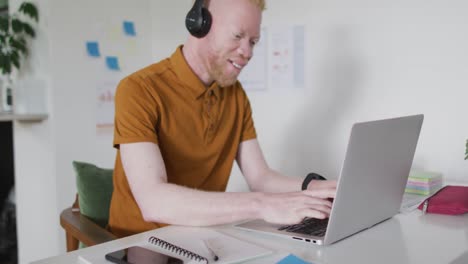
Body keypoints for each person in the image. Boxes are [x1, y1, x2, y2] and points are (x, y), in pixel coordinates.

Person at [109, 0, 337, 238]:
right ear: (199, 23)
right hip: (135, 245)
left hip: (201, 238)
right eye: (237, 36)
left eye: (253, 41)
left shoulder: (235, 94)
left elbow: (260, 177)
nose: (247, 53)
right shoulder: (138, 89)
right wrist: (262, 205)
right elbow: (154, 202)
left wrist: (317, 188)